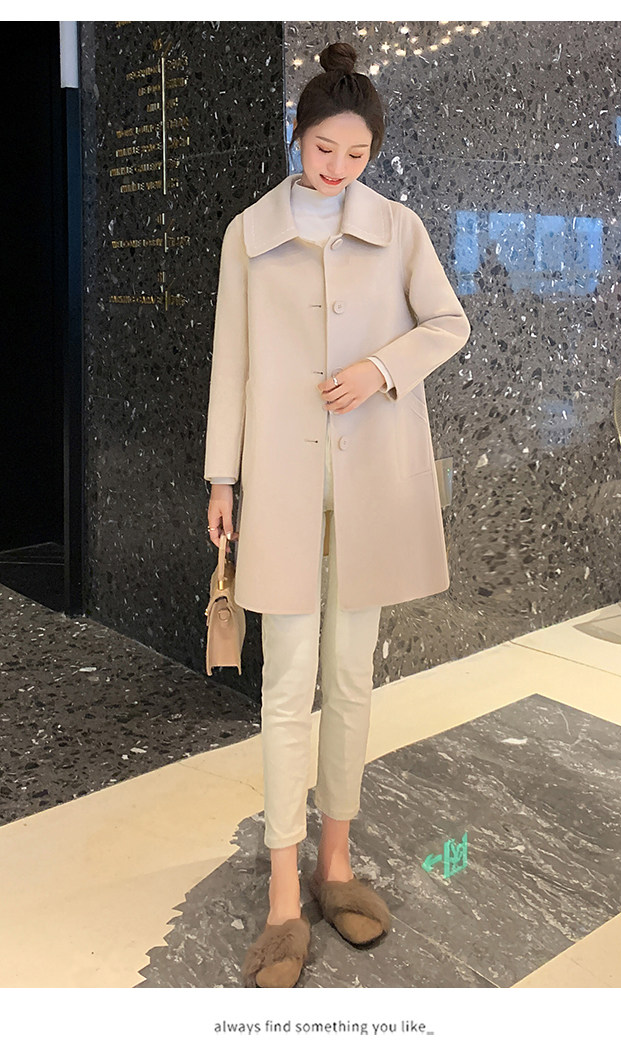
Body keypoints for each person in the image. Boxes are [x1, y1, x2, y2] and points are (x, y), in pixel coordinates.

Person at [204, 41, 471, 988]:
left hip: (371, 490)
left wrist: (380, 368)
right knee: (287, 684)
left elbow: (449, 323)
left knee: (352, 679)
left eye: (357, 155)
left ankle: (336, 862)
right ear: (298, 133)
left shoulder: (398, 229)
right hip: (280, 484)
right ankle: (284, 894)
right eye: (325, 149)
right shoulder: (249, 233)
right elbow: (231, 359)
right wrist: (222, 479)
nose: (338, 168)